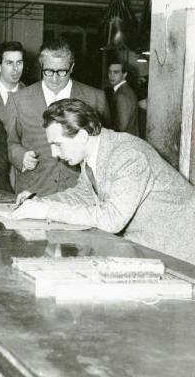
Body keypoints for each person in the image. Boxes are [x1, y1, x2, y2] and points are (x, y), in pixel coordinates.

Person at [11, 98, 195, 265]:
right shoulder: (92, 156)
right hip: (152, 247)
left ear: (83, 136)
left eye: (57, 144)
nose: (54, 154)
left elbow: (111, 219)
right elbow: (83, 194)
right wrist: (40, 202)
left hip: (181, 253)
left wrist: (47, 211)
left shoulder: (128, 156)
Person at [5, 39, 110, 196]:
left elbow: (104, 146)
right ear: (41, 67)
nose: (55, 79)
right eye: (48, 71)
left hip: (80, 191)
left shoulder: (95, 98)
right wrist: (21, 156)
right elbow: (9, 142)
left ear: (72, 67)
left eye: (62, 72)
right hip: (34, 189)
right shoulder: (18, 100)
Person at [107, 61, 139, 136]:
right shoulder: (123, 90)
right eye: (109, 72)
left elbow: (121, 128)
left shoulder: (122, 94)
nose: (112, 76)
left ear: (124, 74)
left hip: (125, 141)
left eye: (116, 72)